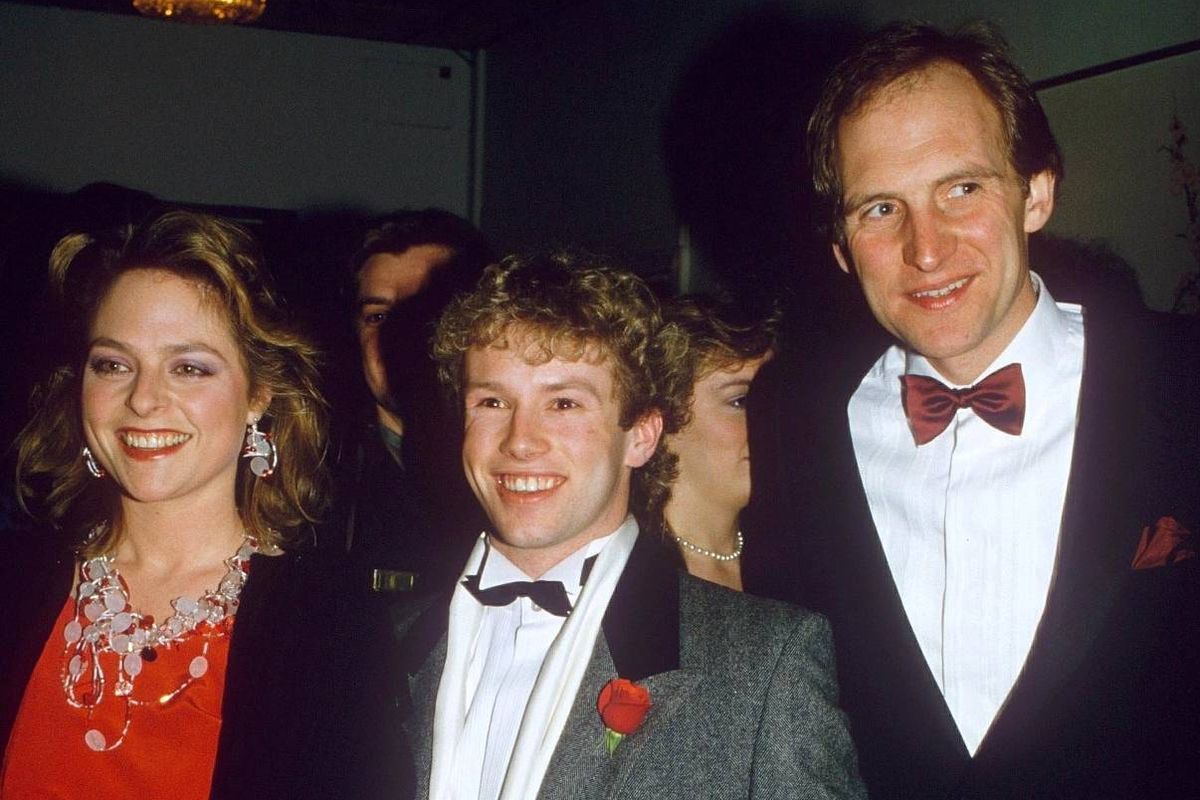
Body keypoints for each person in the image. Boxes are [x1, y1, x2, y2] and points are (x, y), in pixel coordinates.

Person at [744, 21, 1200, 800]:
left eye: (962, 189)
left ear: (1036, 192)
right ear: (841, 248)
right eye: (880, 208)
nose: (926, 249)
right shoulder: (795, 426)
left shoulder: (1181, 380)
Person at [393, 252, 865, 800]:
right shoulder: (376, 644)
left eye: (563, 403)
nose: (520, 441)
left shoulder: (763, 662)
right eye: (493, 401)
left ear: (641, 435)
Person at [0, 211, 402, 799]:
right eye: (113, 364)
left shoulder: (330, 627)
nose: (143, 399)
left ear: (258, 393)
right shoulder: (14, 582)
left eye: (189, 368)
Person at [329, 208, 495, 597]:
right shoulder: (312, 480)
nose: (403, 335)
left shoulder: (523, 464)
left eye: (430, 311)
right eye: (378, 316)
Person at [644, 294, 776, 591]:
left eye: (773, 398)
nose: (767, 421)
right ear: (661, 421)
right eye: (740, 401)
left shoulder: (800, 558)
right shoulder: (626, 573)